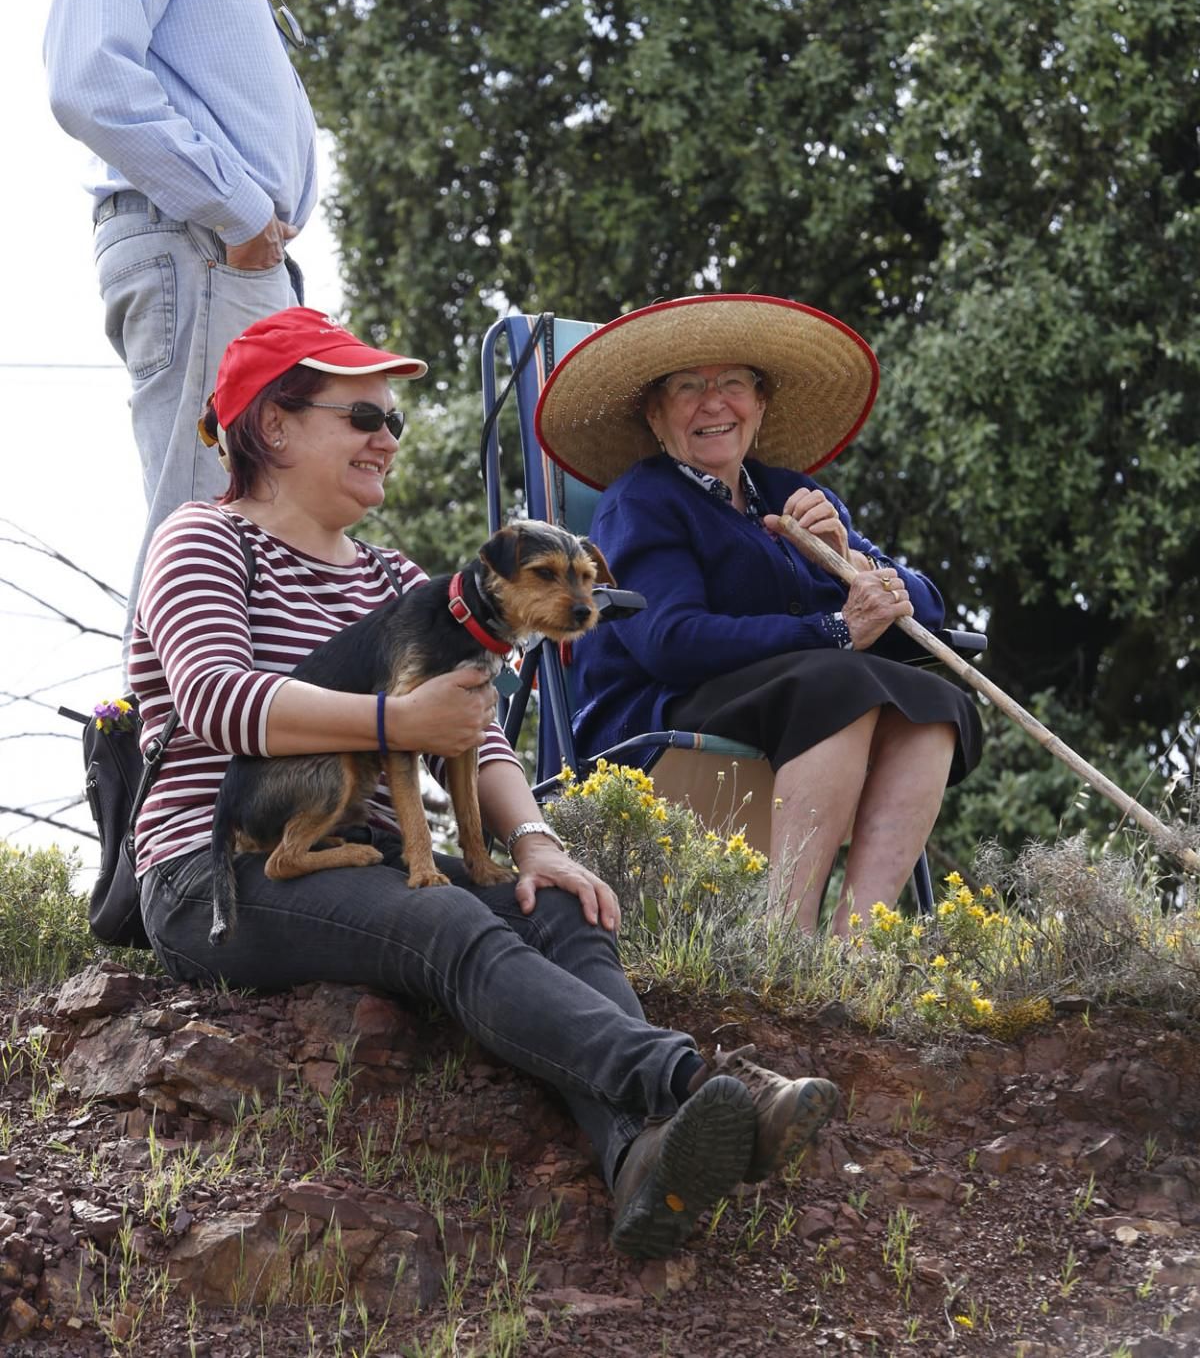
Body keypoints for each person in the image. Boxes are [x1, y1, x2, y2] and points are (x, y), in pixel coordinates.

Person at [131, 305, 841, 1260]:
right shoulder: (205, 538)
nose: (388, 437)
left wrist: (538, 844)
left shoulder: (395, 575)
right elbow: (216, 697)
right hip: (216, 871)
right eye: (362, 416)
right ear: (273, 424)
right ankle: (686, 1081)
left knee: (560, 911)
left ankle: (641, 1157)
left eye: (395, 421)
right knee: (446, 922)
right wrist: (395, 723)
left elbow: (482, 733)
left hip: (371, 855)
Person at [534, 293, 982, 932]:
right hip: (652, 722)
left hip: (786, 709)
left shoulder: (795, 494)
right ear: (656, 417)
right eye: (688, 387)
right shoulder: (640, 501)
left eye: (734, 384)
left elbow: (924, 609)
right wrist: (833, 630)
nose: (713, 402)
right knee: (842, 682)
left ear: (760, 404)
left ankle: (859, 947)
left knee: (932, 702)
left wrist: (847, 557)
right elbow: (668, 641)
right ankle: (785, 942)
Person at [44, 0, 317, 669]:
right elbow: (89, 82)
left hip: (225, 257)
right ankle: (166, 819)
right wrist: (241, 209)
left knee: (253, 538)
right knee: (206, 537)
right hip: (199, 247)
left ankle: (231, 814)